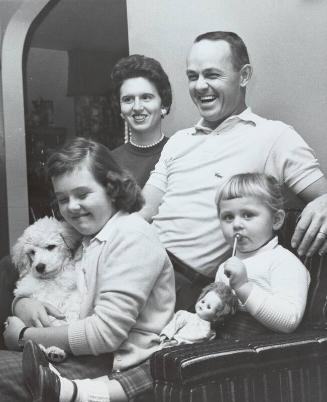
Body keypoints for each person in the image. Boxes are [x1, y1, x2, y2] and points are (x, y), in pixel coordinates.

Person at [140, 30, 327, 311]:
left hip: (181, 285)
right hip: (137, 261)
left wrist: (325, 201)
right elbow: (140, 213)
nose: (200, 86)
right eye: (193, 76)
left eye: (212, 75)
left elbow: (322, 194)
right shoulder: (178, 141)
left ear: (244, 75)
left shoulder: (274, 136)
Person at [0, 138, 175, 402]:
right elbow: (48, 282)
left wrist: (25, 336)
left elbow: (105, 334)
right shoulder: (84, 237)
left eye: (82, 195)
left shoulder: (132, 237)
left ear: (111, 188)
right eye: (62, 199)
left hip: (118, 365)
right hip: (83, 352)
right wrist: (21, 303)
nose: (71, 206)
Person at [215, 173, 310, 334]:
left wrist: (243, 287)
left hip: (264, 354)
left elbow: (289, 320)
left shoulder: (283, 262)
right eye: (228, 217)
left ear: (276, 220)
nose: (237, 224)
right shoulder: (224, 267)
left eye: (247, 215)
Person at [111, 54, 172, 188]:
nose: (137, 107)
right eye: (128, 99)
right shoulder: (110, 162)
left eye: (146, 97)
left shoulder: (179, 152)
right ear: (121, 110)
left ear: (163, 105)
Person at [160, 281, 237, 347]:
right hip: (171, 343)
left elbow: (197, 340)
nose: (202, 305)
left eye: (208, 306)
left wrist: (178, 342)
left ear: (216, 316)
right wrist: (166, 335)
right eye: (203, 301)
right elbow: (174, 325)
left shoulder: (209, 333)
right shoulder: (186, 315)